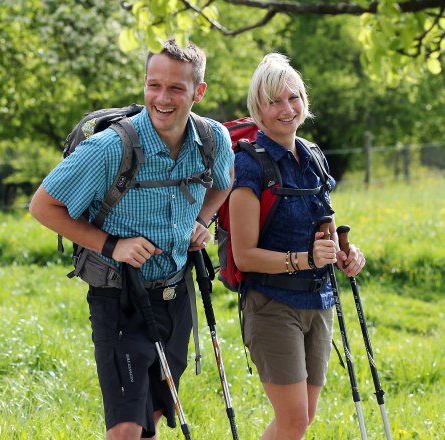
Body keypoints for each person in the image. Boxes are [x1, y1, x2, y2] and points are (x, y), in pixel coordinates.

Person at [29, 40, 233, 439]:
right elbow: (43, 206)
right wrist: (112, 245)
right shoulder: (109, 148)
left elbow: (224, 183)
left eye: (176, 88)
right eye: (153, 85)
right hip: (118, 298)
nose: (162, 98)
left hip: (176, 297)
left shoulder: (212, 140)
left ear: (199, 92)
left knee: (151, 418)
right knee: (124, 429)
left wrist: (201, 220)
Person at [229, 53, 366, 440]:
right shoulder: (249, 166)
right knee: (291, 420)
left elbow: (324, 225)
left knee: (302, 419)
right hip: (272, 305)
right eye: (274, 101)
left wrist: (344, 254)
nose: (286, 109)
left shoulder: (313, 158)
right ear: (258, 108)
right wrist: (304, 259)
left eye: (293, 98)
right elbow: (245, 255)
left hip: (318, 302)